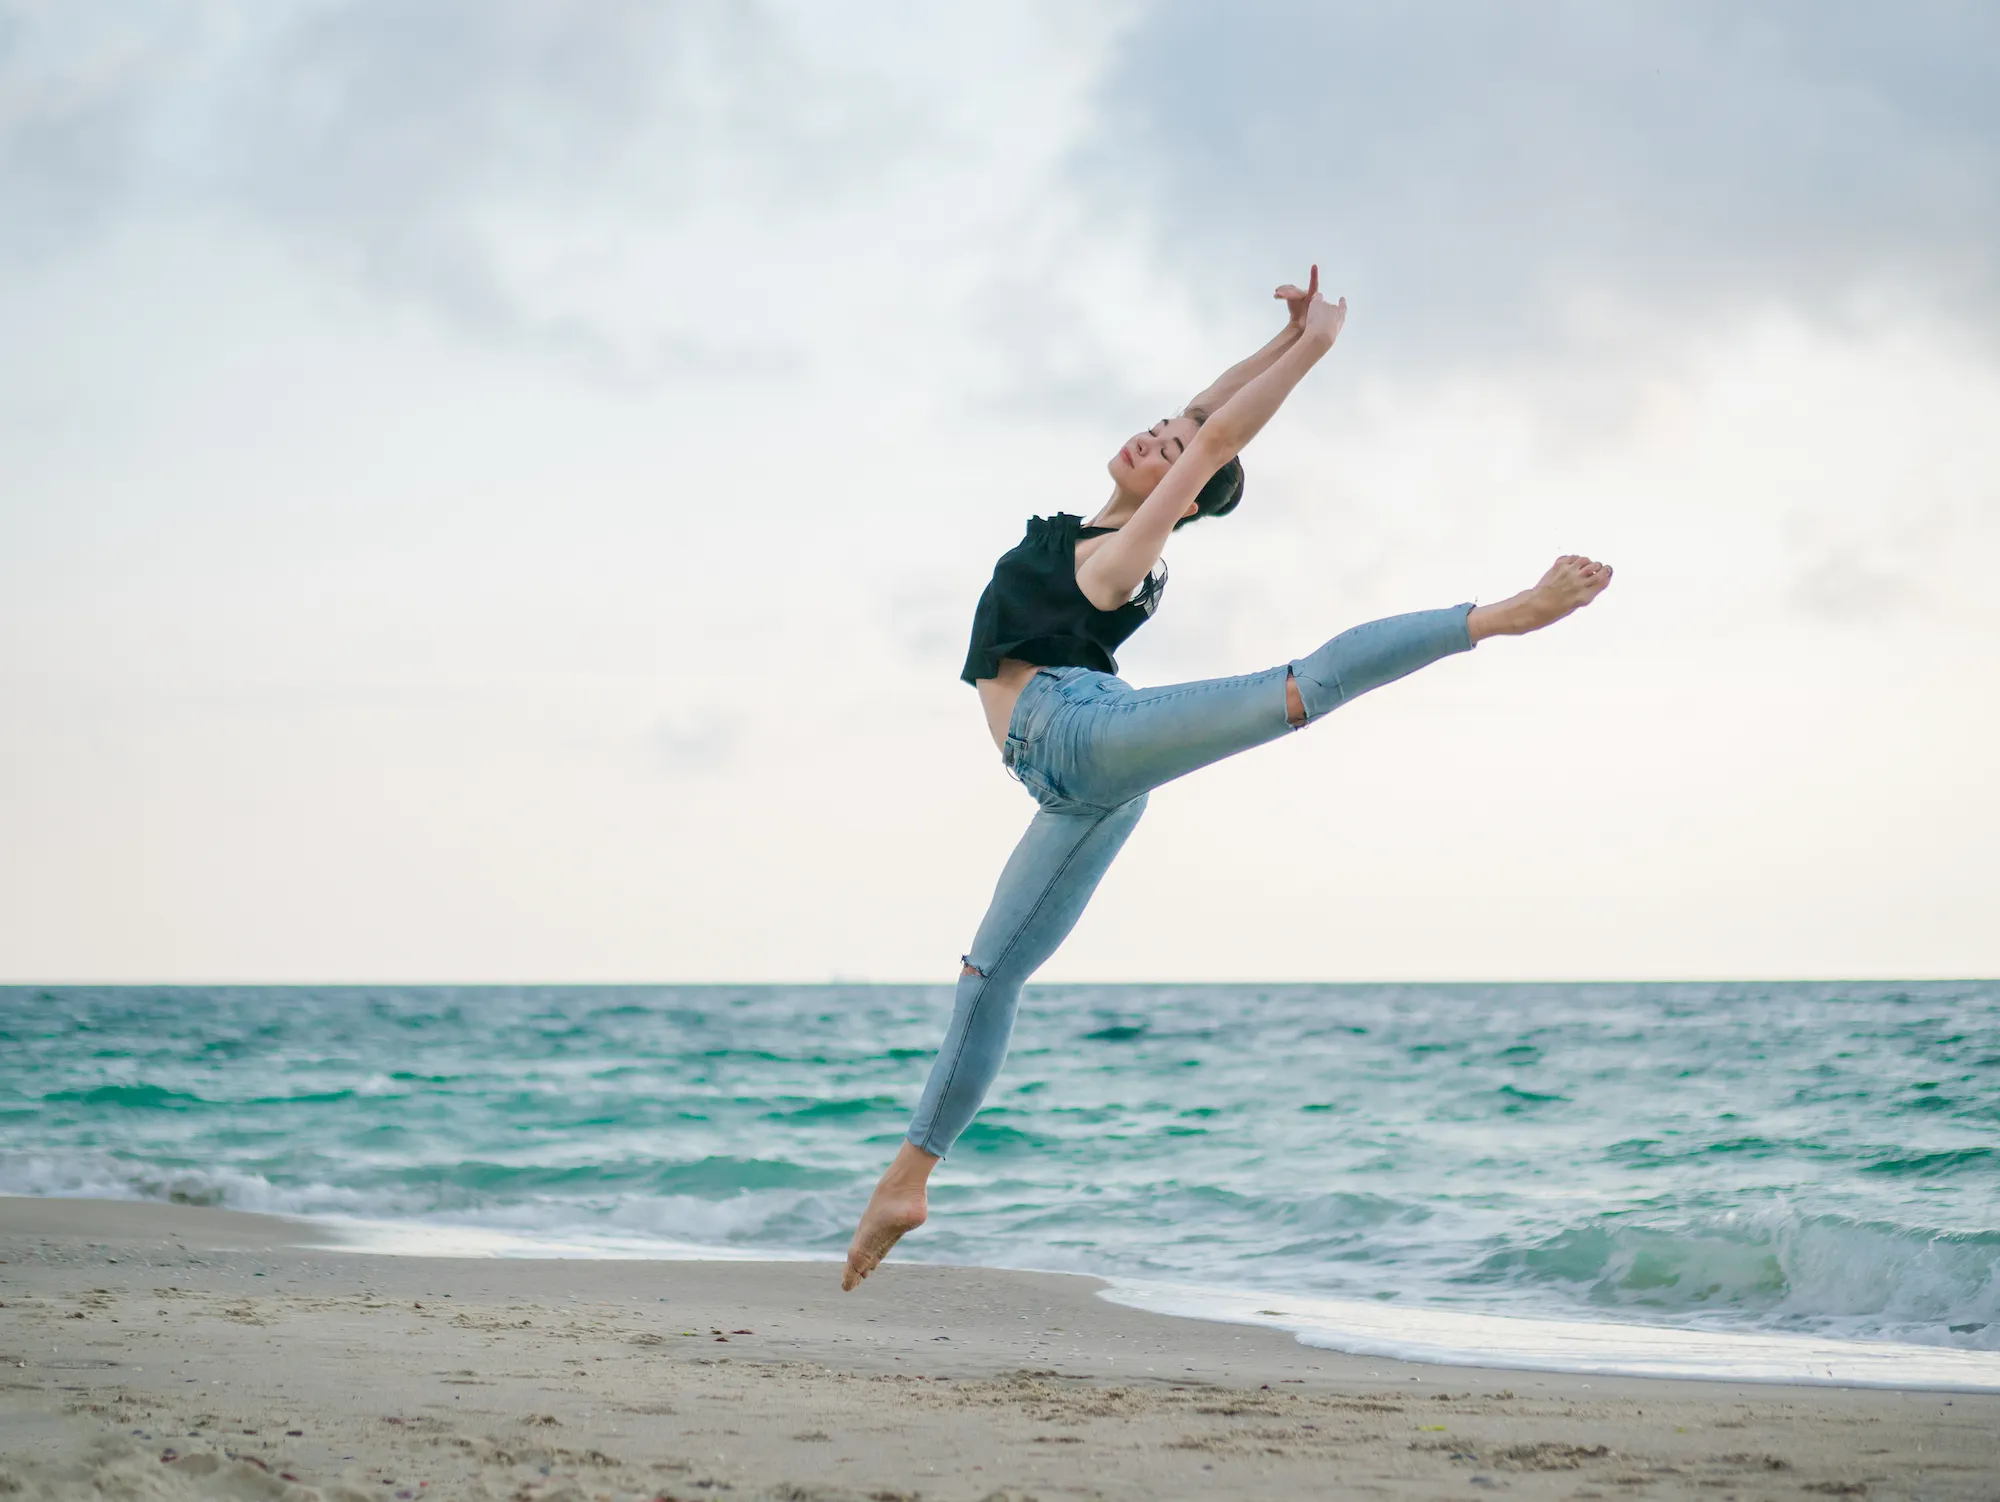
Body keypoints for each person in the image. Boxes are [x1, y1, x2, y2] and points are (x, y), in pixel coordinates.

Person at [841, 267, 1612, 1291]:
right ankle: (907, 1177)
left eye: (1170, 452)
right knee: (991, 975)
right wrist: (1278, 335)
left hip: (1077, 732)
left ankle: (1496, 615)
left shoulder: (1118, 556)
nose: (1157, 436)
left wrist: (1313, 353)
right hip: (1072, 785)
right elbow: (1205, 414)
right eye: (1156, 426)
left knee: (1298, 688)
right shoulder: (1082, 528)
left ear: (1183, 497)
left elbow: (1212, 441)